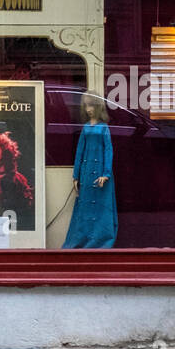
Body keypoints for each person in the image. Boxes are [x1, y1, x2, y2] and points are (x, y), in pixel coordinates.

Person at [62, 92, 117, 249]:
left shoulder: (104, 128)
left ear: (98, 106)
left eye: (91, 105)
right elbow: (80, 152)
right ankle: (83, 239)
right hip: (86, 172)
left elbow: (108, 151)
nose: (88, 109)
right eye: (86, 105)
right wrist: (75, 175)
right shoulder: (86, 128)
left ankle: (101, 239)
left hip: (100, 173)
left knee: (100, 206)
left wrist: (106, 173)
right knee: (85, 206)